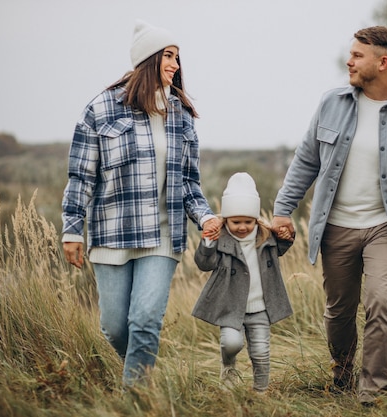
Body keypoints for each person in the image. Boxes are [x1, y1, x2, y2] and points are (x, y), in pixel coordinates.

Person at [272, 26, 387, 406]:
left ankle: (372, 391)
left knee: (381, 301)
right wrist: (282, 210)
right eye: (351, 54)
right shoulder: (332, 104)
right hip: (337, 227)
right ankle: (342, 371)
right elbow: (305, 161)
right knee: (339, 312)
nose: (349, 60)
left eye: (357, 55)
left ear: (383, 62)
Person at [61, 19, 221, 387]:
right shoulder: (101, 109)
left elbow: (188, 182)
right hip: (113, 233)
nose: (176, 65)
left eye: (178, 57)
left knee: (145, 320)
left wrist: (204, 217)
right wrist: (73, 230)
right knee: (115, 327)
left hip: (163, 236)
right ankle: (145, 379)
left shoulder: (180, 113)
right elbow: (80, 176)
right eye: (169, 56)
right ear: (148, 59)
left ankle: (136, 401)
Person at [192, 172, 294, 393]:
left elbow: (283, 246)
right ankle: (228, 366)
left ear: (256, 219)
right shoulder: (221, 240)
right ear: (225, 219)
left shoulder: (266, 238)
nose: (242, 227)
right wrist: (208, 242)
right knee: (231, 343)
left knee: (260, 351)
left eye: (248, 221)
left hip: (261, 307)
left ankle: (260, 391)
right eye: (235, 221)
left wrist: (286, 235)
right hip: (231, 306)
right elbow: (204, 264)